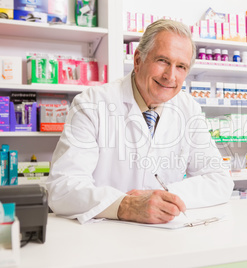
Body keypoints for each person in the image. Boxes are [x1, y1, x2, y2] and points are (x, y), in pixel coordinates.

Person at [46, 19, 234, 224]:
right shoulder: (91, 104)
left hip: (165, 235)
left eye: (181, 66)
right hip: (103, 237)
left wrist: (162, 197)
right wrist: (126, 205)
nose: (170, 76)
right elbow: (62, 188)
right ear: (138, 60)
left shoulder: (188, 109)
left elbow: (220, 180)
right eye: (163, 61)